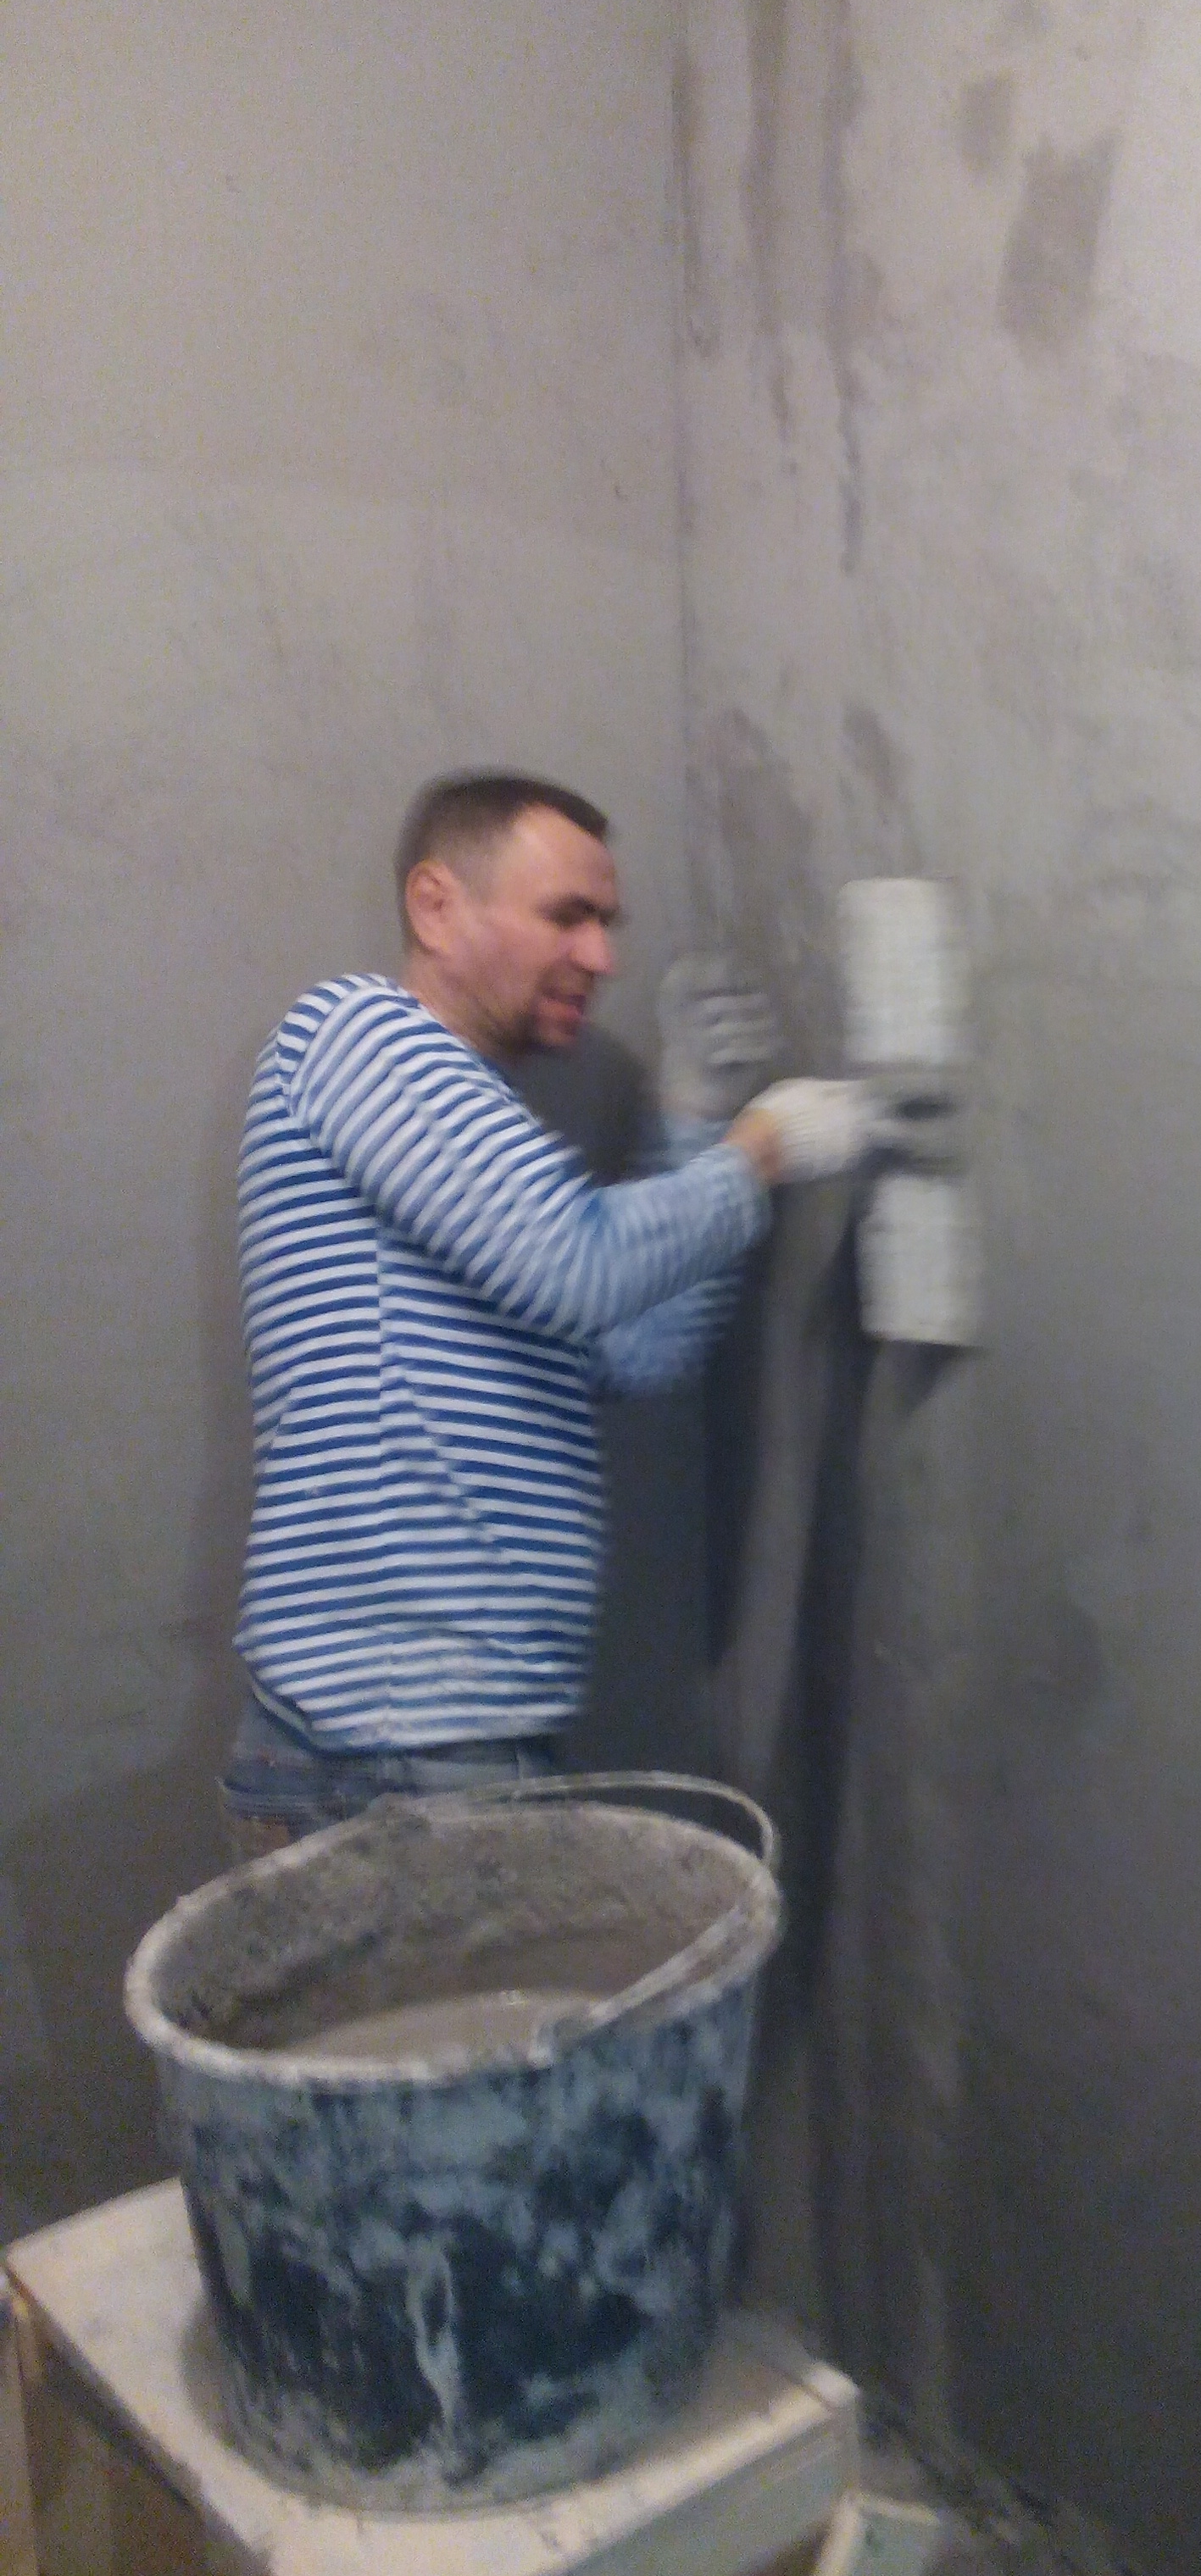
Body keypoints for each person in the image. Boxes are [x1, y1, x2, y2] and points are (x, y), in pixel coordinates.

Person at [219, 769, 870, 1855]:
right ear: (436, 906)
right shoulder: (354, 1033)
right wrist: (760, 1150)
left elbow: (633, 1348)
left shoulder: (466, 1149)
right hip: (383, 1746)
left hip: (444, 1738)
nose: (601, 957)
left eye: (607, 923)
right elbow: (579, 1264)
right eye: (567, 915)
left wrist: (687, 1125)